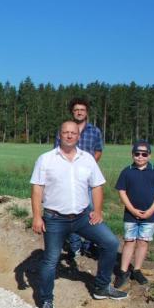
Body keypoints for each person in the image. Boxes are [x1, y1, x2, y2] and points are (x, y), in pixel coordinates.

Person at [30, 121, 126, 308]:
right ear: (60, 135)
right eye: (65, 132)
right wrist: (37, 216)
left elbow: (97, 186)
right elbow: (37, 189)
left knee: (110, 242)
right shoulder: (46, 159)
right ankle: (47, 300)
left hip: (83, 216)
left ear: (78, 136)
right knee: (51, 259)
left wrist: (97, 210)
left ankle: (101, 287)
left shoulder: (87, 159)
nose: (69, 135)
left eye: (73, 133)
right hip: (55, 219)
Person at [113, 140, 154, 288]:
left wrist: (151, 210)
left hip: (150, 216)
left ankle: (137, 270)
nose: (140, 157)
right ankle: (123, 271)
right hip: (131, 215)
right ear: (133, 155)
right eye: (137, 154)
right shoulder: (127, 171)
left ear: (149, 156)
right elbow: (122, 191)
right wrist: (132, 209)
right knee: (129, 241)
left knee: (143, 242)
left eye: (144, 154)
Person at [54, 97, 104, 258]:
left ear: (86, 112)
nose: (79, 112)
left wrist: (88, 167)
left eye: (82, 110)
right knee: (71, 210)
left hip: (86, 179)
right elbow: (56, 152)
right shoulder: (64, 130)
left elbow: (98, 151)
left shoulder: (94, 131)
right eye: (76, 110)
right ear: (72, 112)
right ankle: (75, 246)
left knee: (88, 210)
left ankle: (88, 244)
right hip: (67, 179)